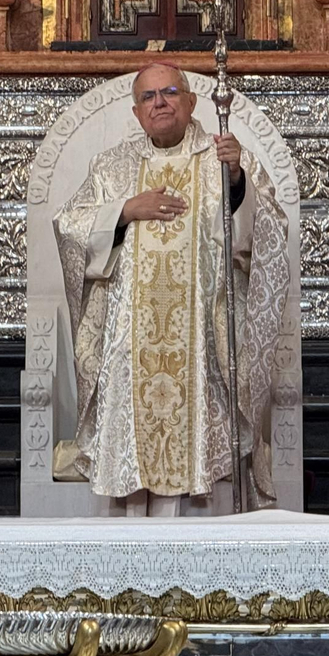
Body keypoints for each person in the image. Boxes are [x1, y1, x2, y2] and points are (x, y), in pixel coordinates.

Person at [54, 62, 290, 515]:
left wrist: (238, 182)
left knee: (196, 462)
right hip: (130, 349)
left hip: (202, 345)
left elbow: (267, 234)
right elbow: (69, 228)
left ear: (191, 102)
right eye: (148, 96)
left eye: (169, 92)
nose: (159, 103)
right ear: (136, 111)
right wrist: (123, 211)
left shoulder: (225, 157)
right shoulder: (112, 165)